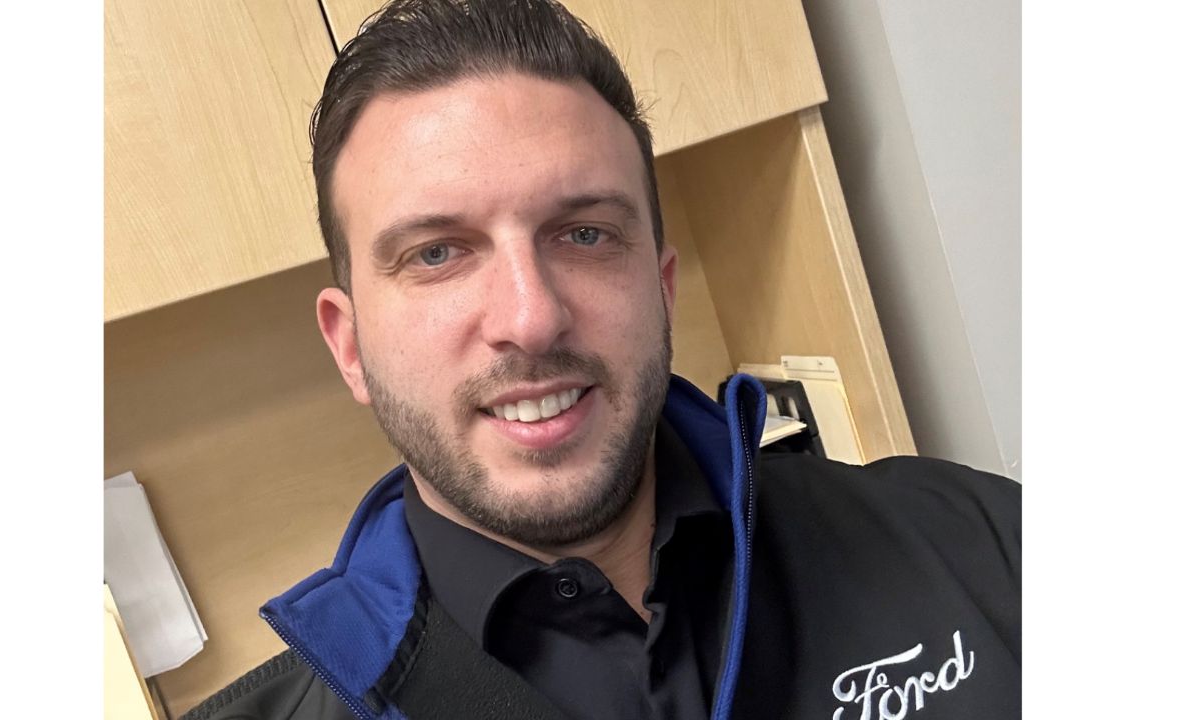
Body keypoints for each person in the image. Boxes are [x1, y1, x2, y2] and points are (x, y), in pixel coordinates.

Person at [186, 1, 1021, 718]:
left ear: (662, 287)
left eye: (584, 234)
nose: (531, 318)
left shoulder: (983, 545)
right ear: (349, 345)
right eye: (437, 253)